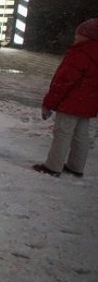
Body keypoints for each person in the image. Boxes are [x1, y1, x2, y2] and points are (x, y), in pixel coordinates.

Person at [34, 18, 98, 177]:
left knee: (63, 133)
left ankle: (53, 166)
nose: (75, 37)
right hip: (88, 103)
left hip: (71, 102)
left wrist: (49, 102)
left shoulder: (80, 53)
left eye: (79, 34)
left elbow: (64, 81)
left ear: (88, 36)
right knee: (81, 136)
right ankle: (76, 166)